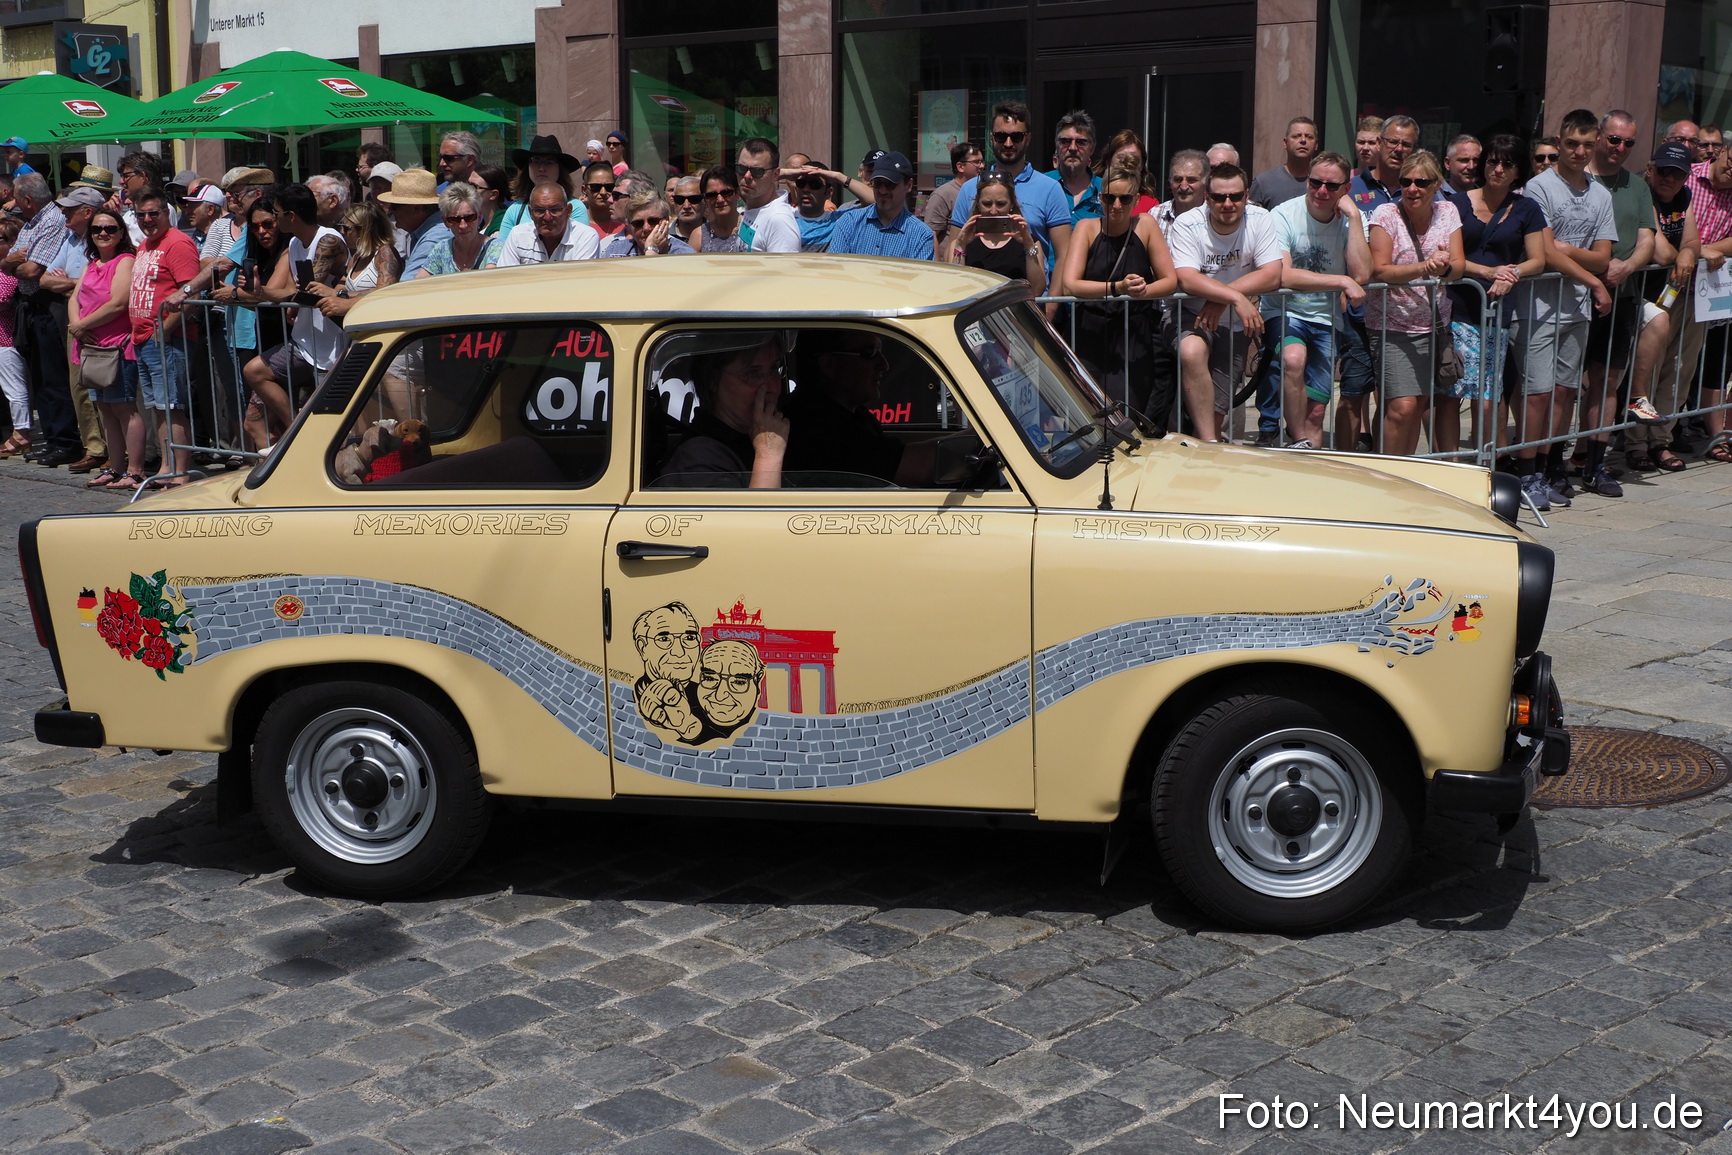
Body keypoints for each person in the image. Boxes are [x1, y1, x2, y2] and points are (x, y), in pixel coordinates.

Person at [1513, 109, 1617, 508]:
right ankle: (1526, 473)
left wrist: (1576, 257)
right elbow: (1546, 252)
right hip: (1538, 307)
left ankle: (1548, 464)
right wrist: (1590, 276)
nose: (1579, 151)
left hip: (1576, 310)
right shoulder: (1538, 188)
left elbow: (1604, 255)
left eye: (1587, 145)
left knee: (1563, 392)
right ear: (1559, 142)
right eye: (1572, 143)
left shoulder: (1600, 194)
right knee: (1536, 393)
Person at [1444, 134, 1546, 457]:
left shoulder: (1527, 208)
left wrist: (1512, 272)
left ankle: (1487, 467)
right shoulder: (1457, 204)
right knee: (1449, 393)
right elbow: (1450, 257)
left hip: (1497, 315)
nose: (1498, 169)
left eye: (1507, 164)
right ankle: (1448, 465)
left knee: (1488, 399)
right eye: (1492, 161)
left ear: (1518, 172)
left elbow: (1538, 259)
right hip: (1456, 311)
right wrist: (1487, 272)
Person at [1262, 151, 1370, 449]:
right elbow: (1283, 275)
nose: (1322, 191)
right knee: (1293, 358)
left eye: (1332, 186)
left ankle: (1309, 469)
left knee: (1318, 409)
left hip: (1325, 317)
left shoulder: (1350, 220)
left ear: (1346, 189)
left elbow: (1362, 273)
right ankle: (1298, 441)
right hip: (1284, 311)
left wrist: (1355, 216)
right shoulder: (1282, 215)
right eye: (1315, 182)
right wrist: (1340, 280)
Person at [1168, 163, 1282, 443]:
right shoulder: (1187, 223)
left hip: (1233, 324)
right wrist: (1234, 297)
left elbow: (1273, 274)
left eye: (1236, 196)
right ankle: (1209, 448)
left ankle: (1200, 461)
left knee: (1215, 413)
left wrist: (1221, 300)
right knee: (1192, 351)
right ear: (1207, 197)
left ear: (1247, 196)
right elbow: (1187, 279)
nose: (1228, 203)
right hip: (1190, 315)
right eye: (1219, 197)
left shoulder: (1260, 218)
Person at [1058, 161, 1179, 420]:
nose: (1115, 206)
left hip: (1132, 334)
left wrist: (1142, 291)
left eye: (1124, 199)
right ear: (1100, 198)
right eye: (1109, 198)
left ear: (1135, 200)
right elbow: (1070, 284)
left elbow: (1169, 280)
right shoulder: (1086, 228)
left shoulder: (1145, 225)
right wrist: (1118, 288)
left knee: (1126, 414)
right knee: (1087, 414)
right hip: (1089, 332)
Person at [1367, 150, 1465, 457]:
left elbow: (1459, 266)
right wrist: (1424, 268)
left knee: (1418, 403)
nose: (1412, 189)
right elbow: (1379, 270)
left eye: (1421, 182)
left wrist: (1445, 267)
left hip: (1433, 326)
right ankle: (1388, 476)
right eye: (1406, 181)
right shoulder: (1385, 214)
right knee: (1402, 407)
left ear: (1436, 184)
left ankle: (1402, 469)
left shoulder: (1448, 211)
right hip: (1391, 326)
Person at [1578, 109, 1655, 497]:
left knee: (1607, 382)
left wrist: (1627, 266)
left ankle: (1594, 463)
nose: (1620, 148)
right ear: (1598, 136)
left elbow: (1647, 239)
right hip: (1570, 296)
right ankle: (1549, 462)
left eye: (1629, 143)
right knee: (1561, 385)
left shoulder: (1637, 187)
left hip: (1621, 297)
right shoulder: (1575, 176)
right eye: (1614, 140)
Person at [239, 183, 349, 430]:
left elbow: (306, 293)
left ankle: (305, 438)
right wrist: (259, 291)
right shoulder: (295, 244)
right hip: (304, 341)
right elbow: (290, 293)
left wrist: (262, 294)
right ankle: (296, 430)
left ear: (291, 216)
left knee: (330, 420)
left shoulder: (328, 240)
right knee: (255, 371)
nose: (274, 221)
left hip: (332, 346)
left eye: (276, 214)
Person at [1625, 141, 1698, 474]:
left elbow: (1692, 242)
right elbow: (1659, 252)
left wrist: (1688, 252)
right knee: (1647, 371)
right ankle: (1636, 443)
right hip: (1644, 296)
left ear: (1685, 178)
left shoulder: (1684, 197)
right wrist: (1681, 254)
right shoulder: (1643, 192)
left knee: (1677, 369)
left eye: (1678, 174)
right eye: (1664, 170)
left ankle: (1661, 441)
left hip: (1675, 293)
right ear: (1651, 169)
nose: (1669, 179)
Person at [950, 101, 1074, 283]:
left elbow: (1064, 257)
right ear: (992, 138)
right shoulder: (970, 188)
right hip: (976, 299)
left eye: (1016, 137)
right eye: (1001, 136)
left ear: (1028, 139)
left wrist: (1051, 305)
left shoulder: (1050, 188)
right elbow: (954, 248)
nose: (1008, 143)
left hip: (1028, 298)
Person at [129, 186, 202, 485]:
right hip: (144, 338)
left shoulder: (178, 243)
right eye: (141, 214)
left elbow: (192, 293)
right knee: (158, 407)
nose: (147, 219)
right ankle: (166, 466)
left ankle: (180, 470)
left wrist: (165, 329)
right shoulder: (145, 245)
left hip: (168, 338)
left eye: (153, 213)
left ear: (166, 213)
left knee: (172, 406)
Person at [6, 172, 80, 466]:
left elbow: (33, 270)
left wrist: (14, 263)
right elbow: (8, 260)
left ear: (27, 199)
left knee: (54, 376)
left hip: (50, 306)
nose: (13, 202)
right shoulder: (30, 224)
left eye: (16, 197)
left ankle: (65, 441)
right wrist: (12, 262)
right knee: (40, 377)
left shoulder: (52, 221)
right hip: (30, 307)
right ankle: (52, 439)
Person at [67, 207, 142, 490]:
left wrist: (81, 326)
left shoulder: (125, 261)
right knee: (104, 409)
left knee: (124, 408)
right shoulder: (91, 263)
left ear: (121, 233)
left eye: (110, 228)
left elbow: (119, 303)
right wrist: (78, 325)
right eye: (97, 229)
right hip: (90, 347)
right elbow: (74, 298)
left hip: (116, 346)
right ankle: (114, 466)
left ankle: (134, 470)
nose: (102, 233)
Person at [658, 335, 788, 488]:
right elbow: (757, 513)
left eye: (774, 369)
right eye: (753, 374)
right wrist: (768, 456)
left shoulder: (750, 440)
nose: (771, 387)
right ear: (713, 379)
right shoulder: (698, 460)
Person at [948, 175, 1047, 292]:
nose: (993, 211)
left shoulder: (1030, 242)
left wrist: (1028, 245)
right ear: (978, 203)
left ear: (1012, 203)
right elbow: (953, 289)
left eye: (1000, 204)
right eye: (987, 204)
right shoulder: (961, 243)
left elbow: (1037, 290)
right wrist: (960, 247)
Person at [827, 152, 934, 260]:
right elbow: (835, 269)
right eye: (877, 183)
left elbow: (920, 276)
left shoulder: (921, 235)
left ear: (909, 185)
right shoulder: (849, 222)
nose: (882, 190)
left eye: (890, 184)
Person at [311, 201, 399, 320]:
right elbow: (340, 289)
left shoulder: (385, 253)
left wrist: (338, 295)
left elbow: (384, 292)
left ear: (364, 230)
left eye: (347, 228)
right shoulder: (357, 257)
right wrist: (318, 292)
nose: (342, 232)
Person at [492, 182, 600, 266]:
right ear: (530, 212)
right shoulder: (518, 235)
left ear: (568, 211)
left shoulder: (586, 237)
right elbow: (507, 280)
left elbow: (579, 284)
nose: (547, 217)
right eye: (539, 210)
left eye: (555, 210)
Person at [504, 136, 592, 236]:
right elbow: (502, 247)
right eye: (536, 161)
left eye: (549, 162)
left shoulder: (576, 207)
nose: (541, 168)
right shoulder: (515, 210)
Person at [377, 169, 452, 279]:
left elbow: (408, 285)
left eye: (395, 206)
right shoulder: (420, 230)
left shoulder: (434, 238)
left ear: (417, 208)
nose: (390, 210)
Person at [416, 181, 503, 275]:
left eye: (469, 217)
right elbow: (419, 283)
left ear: (479, 217)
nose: (463, 225)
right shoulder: (441, 249)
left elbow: (489, 279)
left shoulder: (495, 248)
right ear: (445, 222)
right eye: (454, 220)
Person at [736, 139, 801, 253]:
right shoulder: (755, 206)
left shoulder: (779, 220)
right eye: (742, 169)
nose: (747, 176)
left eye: (757, 172)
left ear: (775, 175)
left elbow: (785, 270)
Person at [926, 141, 984, 259]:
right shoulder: (943, 194)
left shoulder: (982, 191)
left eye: (982, 161)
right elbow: (931, 236)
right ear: (960, 166)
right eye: (976, 162)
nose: (982, 166)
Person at [1250, 117, 1319, 210]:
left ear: (1316, 144)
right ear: (1285, 143)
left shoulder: (1325, 184)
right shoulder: (1263, 183)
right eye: (1296, 136)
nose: (1303, 140)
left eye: (1309, 137)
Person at [1045, 110, 1102, 224]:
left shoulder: (1106, 189)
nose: (1072, 148)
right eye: (1065, 141)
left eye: (1081, 142)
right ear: (1057, 145)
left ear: (1092, 148)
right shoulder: (1042, 185)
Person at [0, 219, 26, 461]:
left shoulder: (10, 272)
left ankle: (22, 431)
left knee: (14, 389)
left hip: (6, 338)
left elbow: (3, 298)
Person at [601, 192, 695, 257]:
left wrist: (651, 249)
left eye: (653, 221)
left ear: (667, 221)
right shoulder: (614, 251)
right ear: (629, 228)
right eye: (638, 223)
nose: (646, 228)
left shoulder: (684, 254)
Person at [1095, 130, 1161, 215]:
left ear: (1141, 165)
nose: (1127, 161)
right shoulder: (1093, 192)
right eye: (1121, 157)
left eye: (1133, 157)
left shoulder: (1150, 204)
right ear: (1108, 162)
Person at [1153, 150, 1207, 237]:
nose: (1184, 187)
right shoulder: (1155, 215)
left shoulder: (1213, 216)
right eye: (1178, 179)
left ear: (1206, 182)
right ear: (1169, 181)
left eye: (1191, 180)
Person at [696, 167, 748, 253]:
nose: (720, 200)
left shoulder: (750, 229)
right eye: (712, 195)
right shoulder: (699, 235)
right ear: (705, 199)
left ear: (737, 193)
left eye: (726, 193)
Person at [581, 162, 623, 239]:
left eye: (609, 187)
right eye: (596, 187)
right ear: (584, 190)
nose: (603, 192)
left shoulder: (625, 224)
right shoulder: (576, 223)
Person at [470, 165, 510, 235]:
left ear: (493, 194)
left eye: (474, 187)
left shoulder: (499, 230)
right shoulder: (483, 220)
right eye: (467, 184)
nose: (467, 190)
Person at [668, 176, 705, 249]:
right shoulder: (665, 236)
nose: (686, 206)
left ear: (704, 201)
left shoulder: (716, 234)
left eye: (693, 199)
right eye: (680, 200)